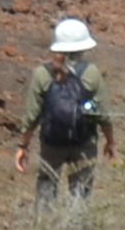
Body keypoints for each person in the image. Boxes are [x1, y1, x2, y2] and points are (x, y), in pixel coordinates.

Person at [17, 17, 112, 203]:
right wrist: (110, 141)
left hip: (52, 144)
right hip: (84, 143)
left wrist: (23, 146)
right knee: (80, 194)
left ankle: (43, 228)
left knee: (46, 187)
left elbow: (32, 116)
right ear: (84, 47)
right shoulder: (92, 73)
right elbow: (101, 115)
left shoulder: (42, 74)